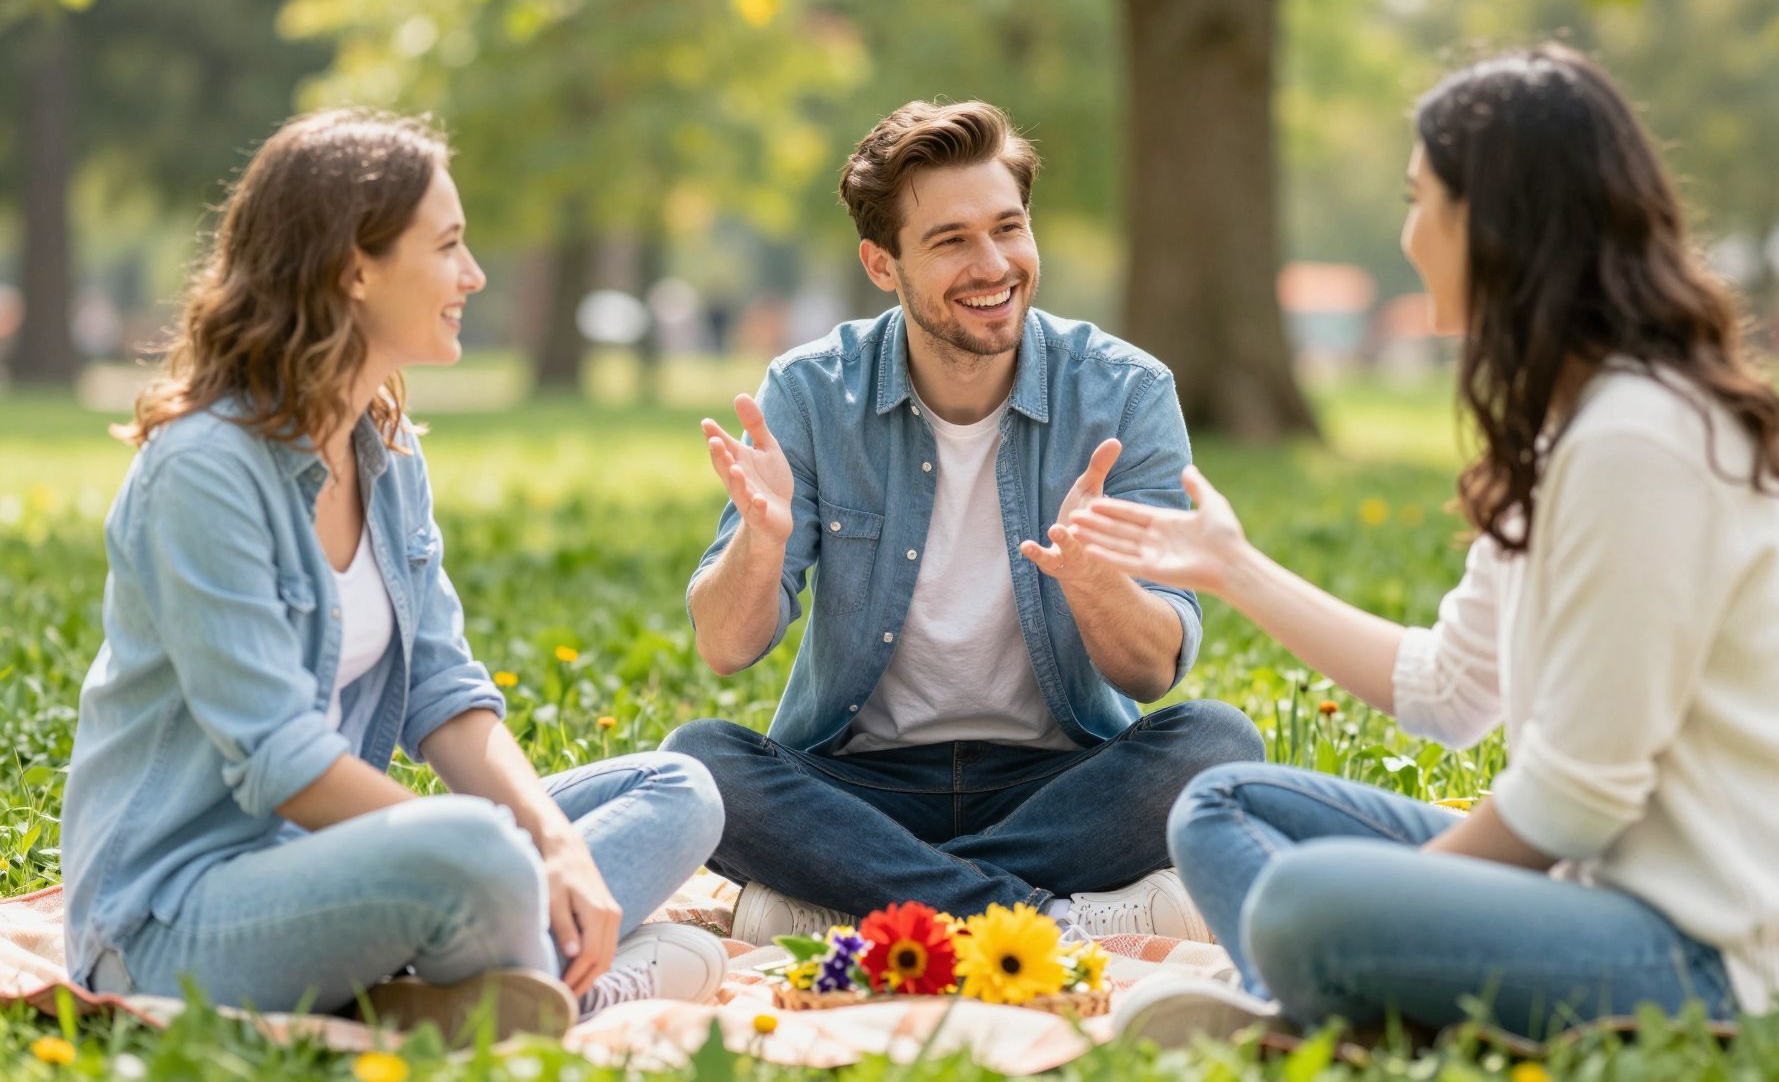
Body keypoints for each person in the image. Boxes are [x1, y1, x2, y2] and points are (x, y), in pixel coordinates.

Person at [1082, 47, 1779, 1044]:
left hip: (1717, 959)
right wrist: (1234, 569)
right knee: (1221, 808)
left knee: (1301, 903)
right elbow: (1446, 690)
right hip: (1594, 893)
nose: (1407, 235)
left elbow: (1574, 800)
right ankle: (1338, 995)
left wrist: (1385, 902)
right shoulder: (1570, 429)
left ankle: (1318, 991)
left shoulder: (1639, 439)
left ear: (1490, 223)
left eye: (1419, 200)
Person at [60, 110, 727, 1039]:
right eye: (449, 246)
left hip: (345, 870)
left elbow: (445, 693)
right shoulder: (202, 471)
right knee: (473, 846)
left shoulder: (382, 443)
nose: (473, 274)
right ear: (354, 268)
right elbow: (279, 759)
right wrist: (481, 850)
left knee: (679, 792)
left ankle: (468, 980)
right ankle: (567, 996)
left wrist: (558, 845)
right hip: (173, 916)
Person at [662, 100, 1264, 944]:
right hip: (858, 784)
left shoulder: (1124, 393)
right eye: (951, 241)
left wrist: (1094, 584)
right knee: (697, 763)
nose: (994, 266)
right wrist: (762, 549)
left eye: (1008, 228)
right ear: (882, 264)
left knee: (1218, 744)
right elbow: (726, 648)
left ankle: (850, 901)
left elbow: (1152, 672)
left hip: (1061, 785)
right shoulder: (807, 393)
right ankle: (1040, 918)